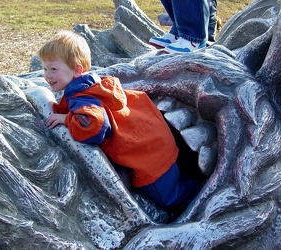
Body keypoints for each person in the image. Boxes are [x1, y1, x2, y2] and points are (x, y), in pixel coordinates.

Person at [38, 30, 201, 213]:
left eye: (53, 69)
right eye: (45, 69)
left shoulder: (82, 96)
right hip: (155, 142)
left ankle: (201, 199)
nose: (47, 75)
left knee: (170, 198)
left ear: (77, 70)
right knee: (176, 178)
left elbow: (94, 127)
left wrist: (66, 119)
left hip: (146, 158)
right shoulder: (92, 85)